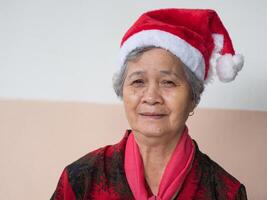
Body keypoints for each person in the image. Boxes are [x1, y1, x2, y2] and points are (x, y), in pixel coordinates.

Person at [51, 8, 247, 199]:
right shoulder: (81, 180)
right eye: (138, 82)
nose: (151, 97)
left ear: (193, 98)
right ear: (122, 92)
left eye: (168, 82)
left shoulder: (225, 192)